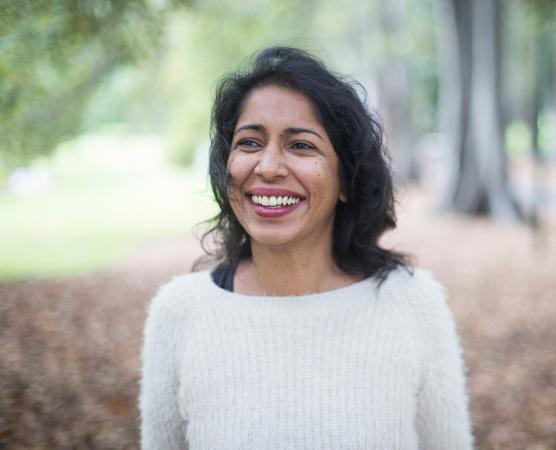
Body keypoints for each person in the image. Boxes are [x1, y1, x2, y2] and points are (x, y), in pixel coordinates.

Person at [138, 46, 474, 449]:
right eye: (249, 142)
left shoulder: (412, 302)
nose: (268, 167)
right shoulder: (179, 312)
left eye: (301, 145)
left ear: (346, 180)